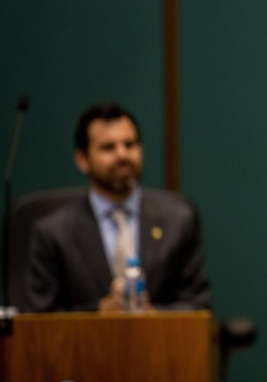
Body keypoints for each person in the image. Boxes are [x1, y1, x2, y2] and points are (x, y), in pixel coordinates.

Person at [25, 102, 211, 312]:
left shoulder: (178, 220)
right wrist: (99, 314)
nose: (122, 155)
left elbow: (198, 306)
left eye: (129, 145)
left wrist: (156, 317)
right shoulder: (54, 233)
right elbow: (41, 320)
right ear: (82, 159)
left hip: (160, 343)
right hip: (85, 345)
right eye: (108, 147)